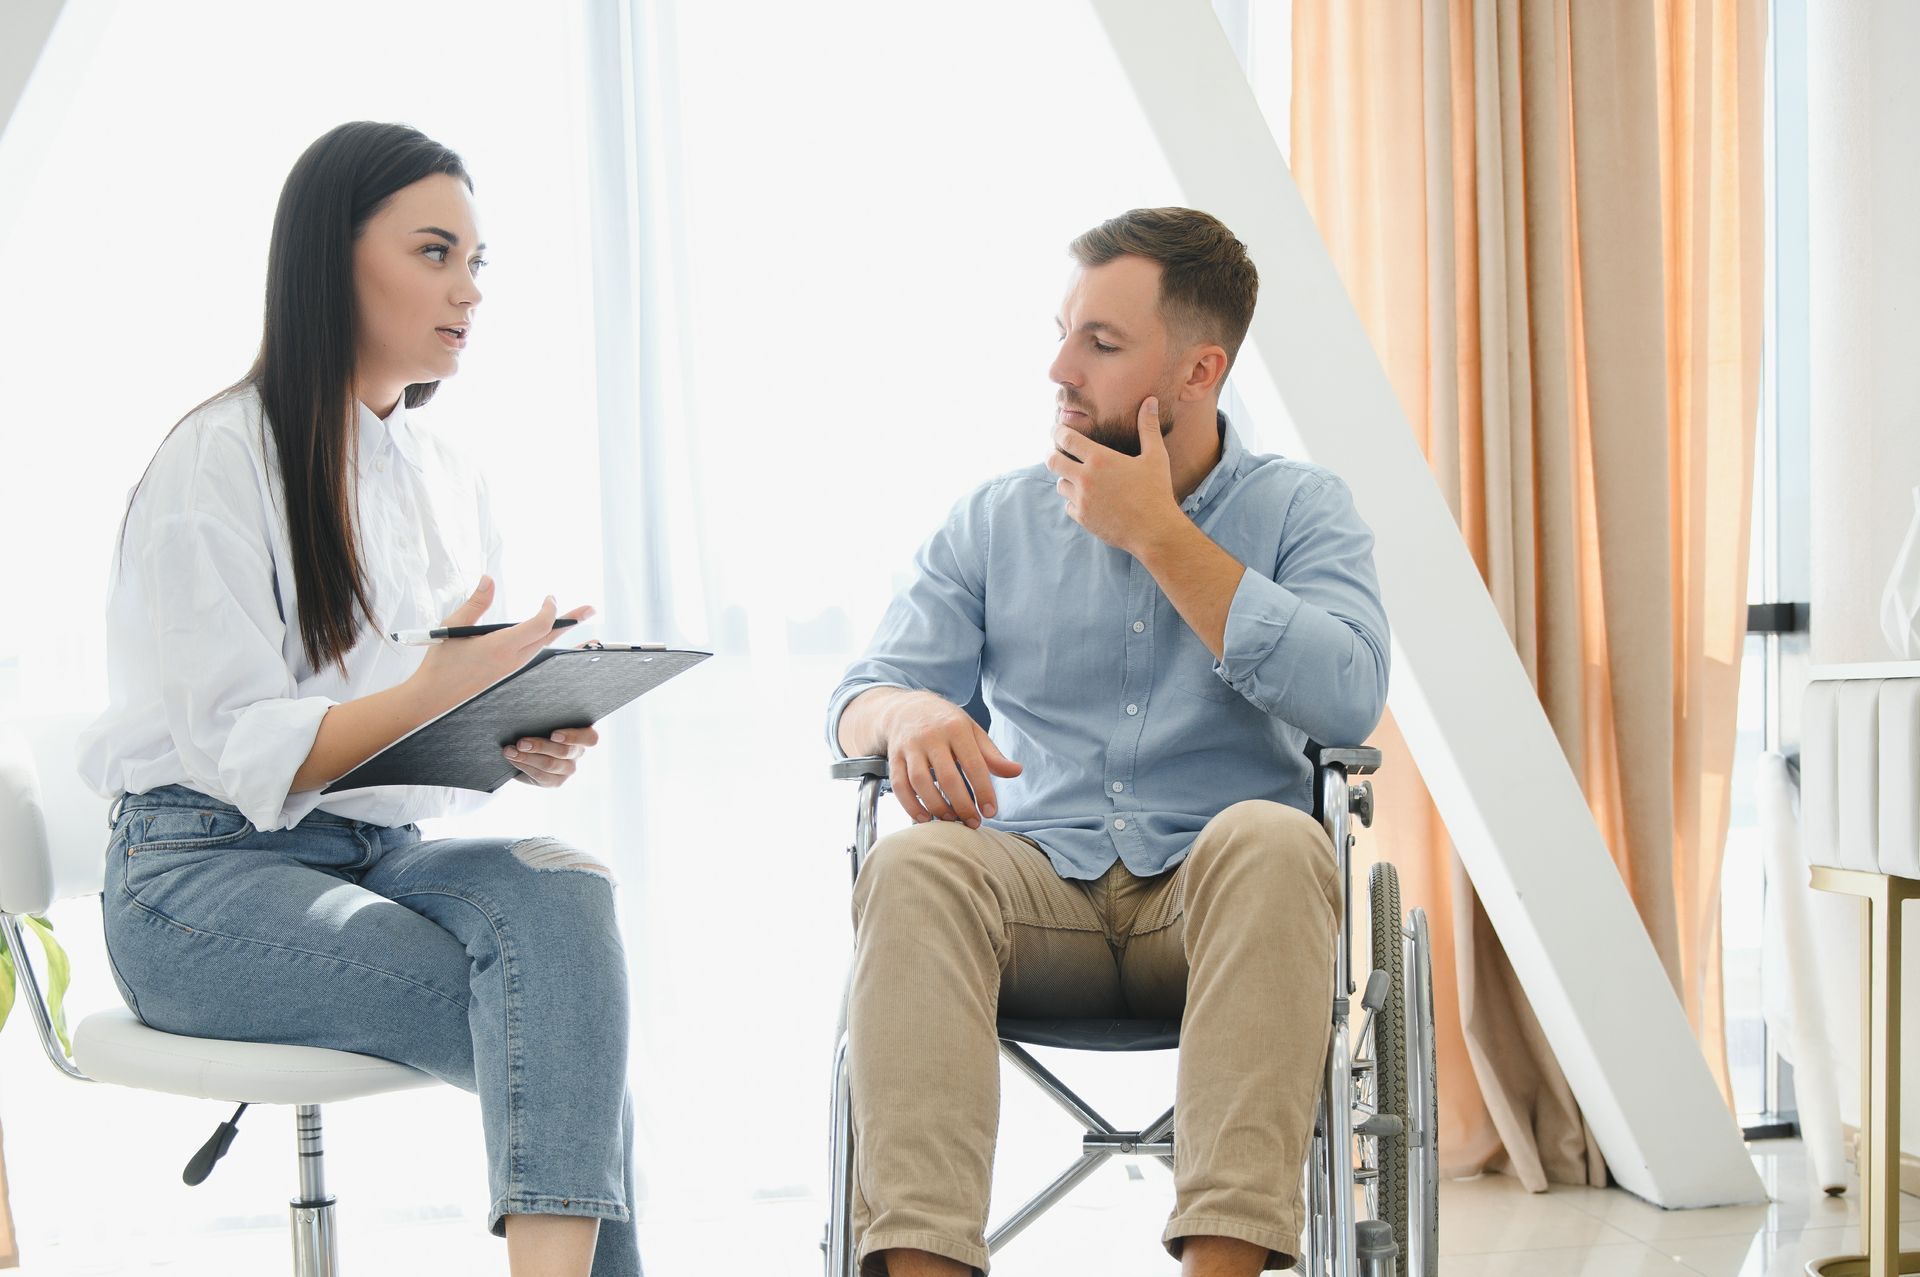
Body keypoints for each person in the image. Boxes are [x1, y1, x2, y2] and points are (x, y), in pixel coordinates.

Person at [76, 121, 640, 1277]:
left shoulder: (443, 473)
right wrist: (439, 684)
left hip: (367, 852)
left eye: (478, 263)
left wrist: (505, 727)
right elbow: (246, 751)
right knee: (561, 1026)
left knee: (566, 902)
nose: (467, 291)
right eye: (435, 252)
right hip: (196, 877)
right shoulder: (217, 461)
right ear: (333, 260)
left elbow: (407, 741)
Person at [827, 207, 1390, 1276]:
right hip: (1034, 894)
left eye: (1100, 341)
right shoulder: (995, 520)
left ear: (1198, 369)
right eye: (1063, 330)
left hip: (1216, 903)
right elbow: (861, 693)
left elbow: (1350, 697)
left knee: (1278, 840)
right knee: (915, 863)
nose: (1059, 365)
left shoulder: (1303, 511)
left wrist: (1160, 536)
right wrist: (906, 712)